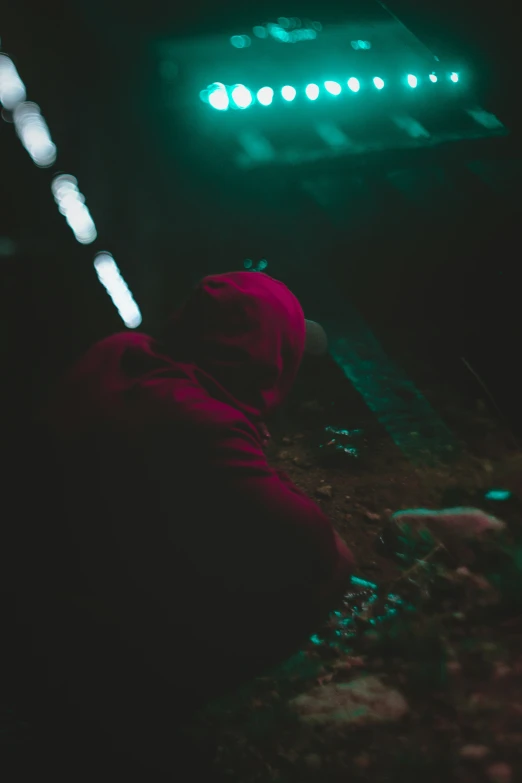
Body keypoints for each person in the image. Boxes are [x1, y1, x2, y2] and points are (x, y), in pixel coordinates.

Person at [24, 271, 354, 774]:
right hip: (79, 641)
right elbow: (317, 545)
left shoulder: (120, 350)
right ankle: (173, 709)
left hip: (39, 572)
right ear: (265, 359)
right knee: (329, 571)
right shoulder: (202, 426)